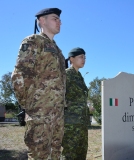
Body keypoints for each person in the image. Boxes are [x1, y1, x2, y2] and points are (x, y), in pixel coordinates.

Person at [11, 8, 66, 159]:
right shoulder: (33, 41)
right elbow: (19, 76)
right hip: (39, 114)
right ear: (42, 20)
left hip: (57, 116)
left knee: (55, 155)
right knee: (39, 156)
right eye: (55, 18)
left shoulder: (58, 51)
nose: (59, 22)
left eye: (59, 19)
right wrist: (30, 106)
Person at [62, 47, 89, 159]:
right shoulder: (66, 75)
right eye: (81, 57)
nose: (84, 59)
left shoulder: (79, 77)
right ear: (71, 59)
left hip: (81, 123)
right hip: (70, 124)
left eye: (85, 57)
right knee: (69, 154)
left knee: (81, 153)